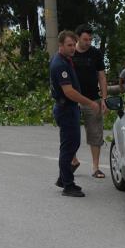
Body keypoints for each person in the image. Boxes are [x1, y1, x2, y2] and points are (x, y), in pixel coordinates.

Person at [49, 30, 100, 197]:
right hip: (66, 109)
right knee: (69, 147)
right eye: (69, 45)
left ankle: (64, 178)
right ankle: (67, 185)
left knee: (72, 144)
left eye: (73, 44)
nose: (72, 48)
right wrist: (90, 102)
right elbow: (69, 92)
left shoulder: (65, 59)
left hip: (69, 108)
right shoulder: (60, 64)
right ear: (61, 45)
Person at [72, 26, 109, 179]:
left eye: (90, 39)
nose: (88, 42)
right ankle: (73, 161)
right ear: (77, 38)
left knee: (95, 133)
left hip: (93, 99)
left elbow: (102, 77)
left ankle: (95, 167)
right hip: (72, 100)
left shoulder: (95, 53)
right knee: (71, 132)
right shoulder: (70, 52)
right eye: (85, 39)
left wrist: (104, 99)